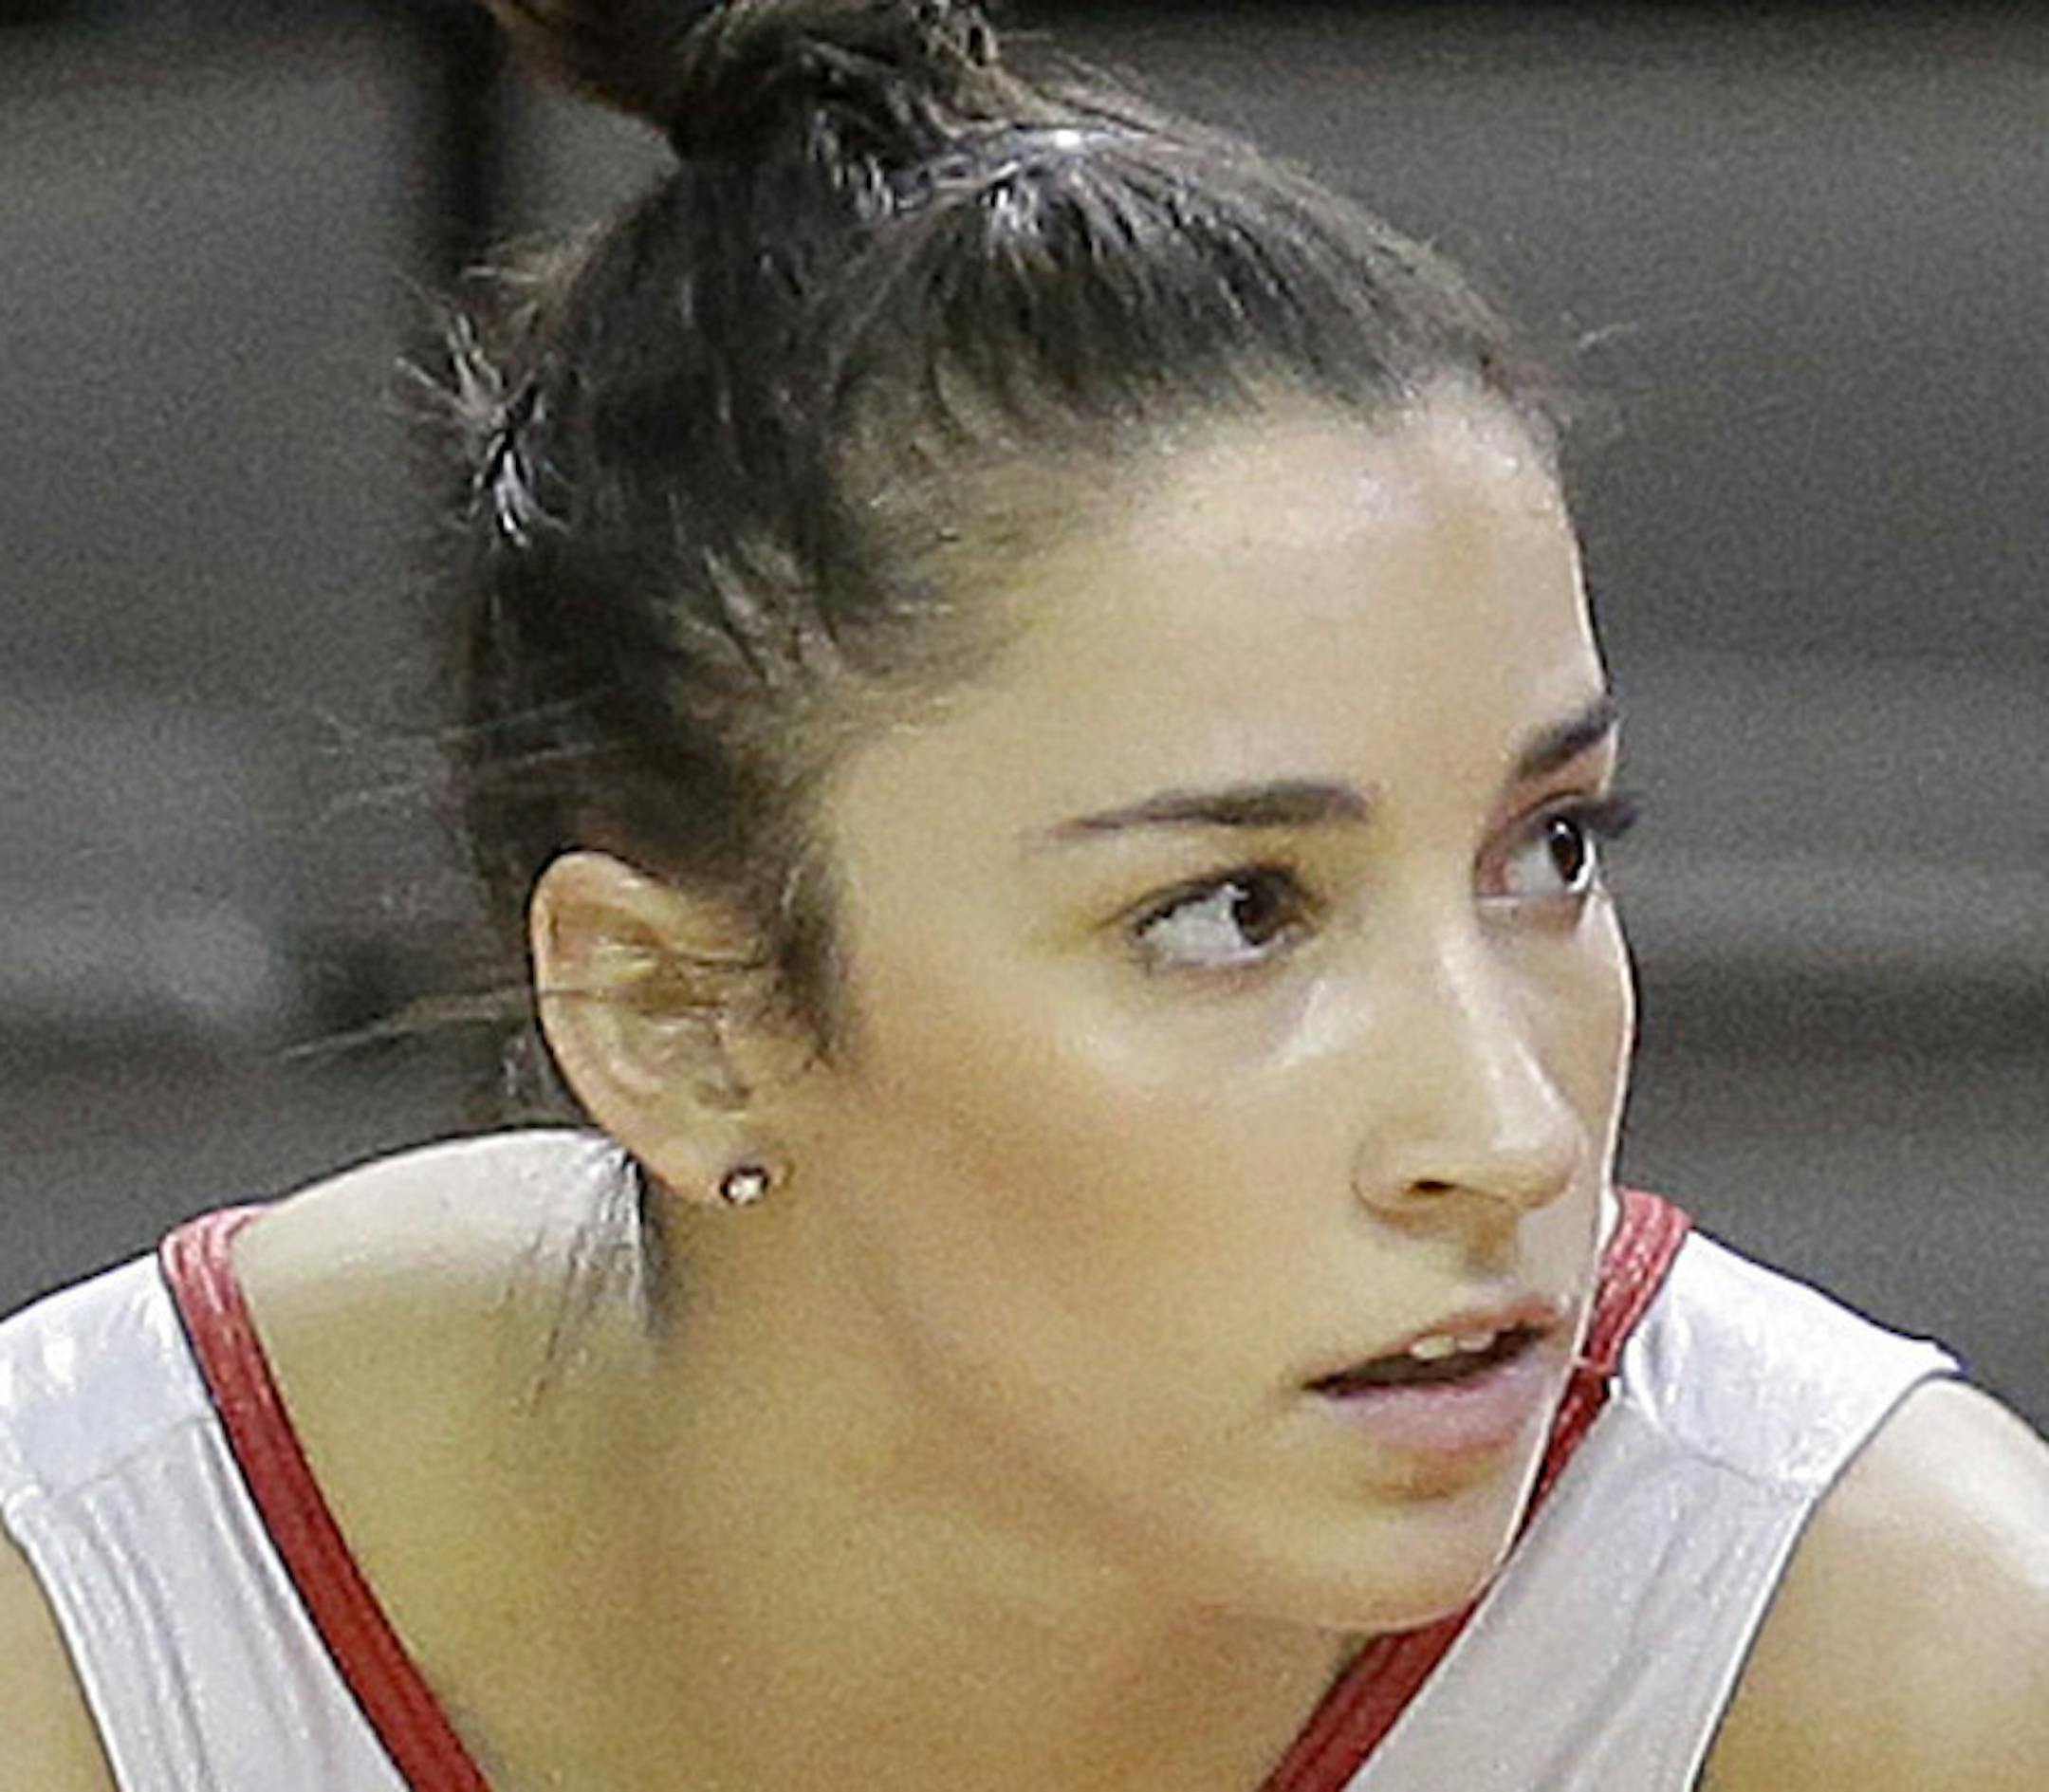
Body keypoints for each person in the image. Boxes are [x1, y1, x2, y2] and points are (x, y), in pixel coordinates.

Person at [3, 2, 2046, 1786]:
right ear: (675, 1021)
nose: (1503, 1133)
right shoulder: (79, 1645)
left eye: (1550, 850)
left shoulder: (1910, 1658)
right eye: (1233, 911)